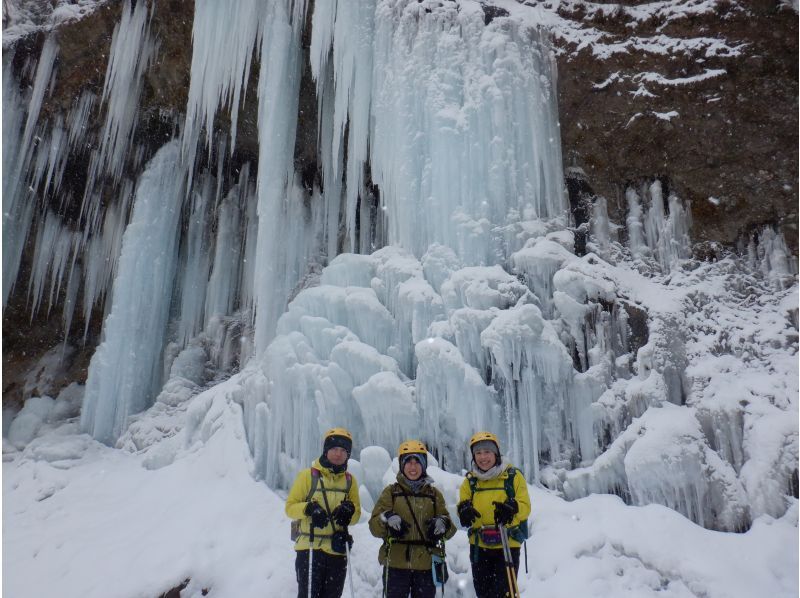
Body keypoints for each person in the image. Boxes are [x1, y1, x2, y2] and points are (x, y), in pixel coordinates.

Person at [369, 440, 456, 598]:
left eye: (417, 462)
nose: (413, 466)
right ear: (402, 465)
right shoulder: (391, 492)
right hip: (395, 565)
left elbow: (450, 529)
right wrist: (387, 519)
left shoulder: (434, 494)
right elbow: (374, 527)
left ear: (424, 465)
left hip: (426, 565)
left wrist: (442, 524)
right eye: (408, 461)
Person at [286, 428, 361, 598]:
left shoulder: (350, 481)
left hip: (337, 550)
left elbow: (356, 516)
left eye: (343, 451)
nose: (338, 454)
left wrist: (349, 511)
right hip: (310, 549)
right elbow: (290, 508)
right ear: (326, 450)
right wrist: (308, 509)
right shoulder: (308, 476)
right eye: (334, 449)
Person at [456, 432, 531, 598]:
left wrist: (511, 508)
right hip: (479, 546)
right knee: (483, 593)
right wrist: (464, 511)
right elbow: (462, 504)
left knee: (504, 594)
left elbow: (525, 506)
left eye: (487, 452)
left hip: (507, 544)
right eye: (478, 453)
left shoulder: (512, 477)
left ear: (496, 453)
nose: (483, 457)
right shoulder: (470, 482)